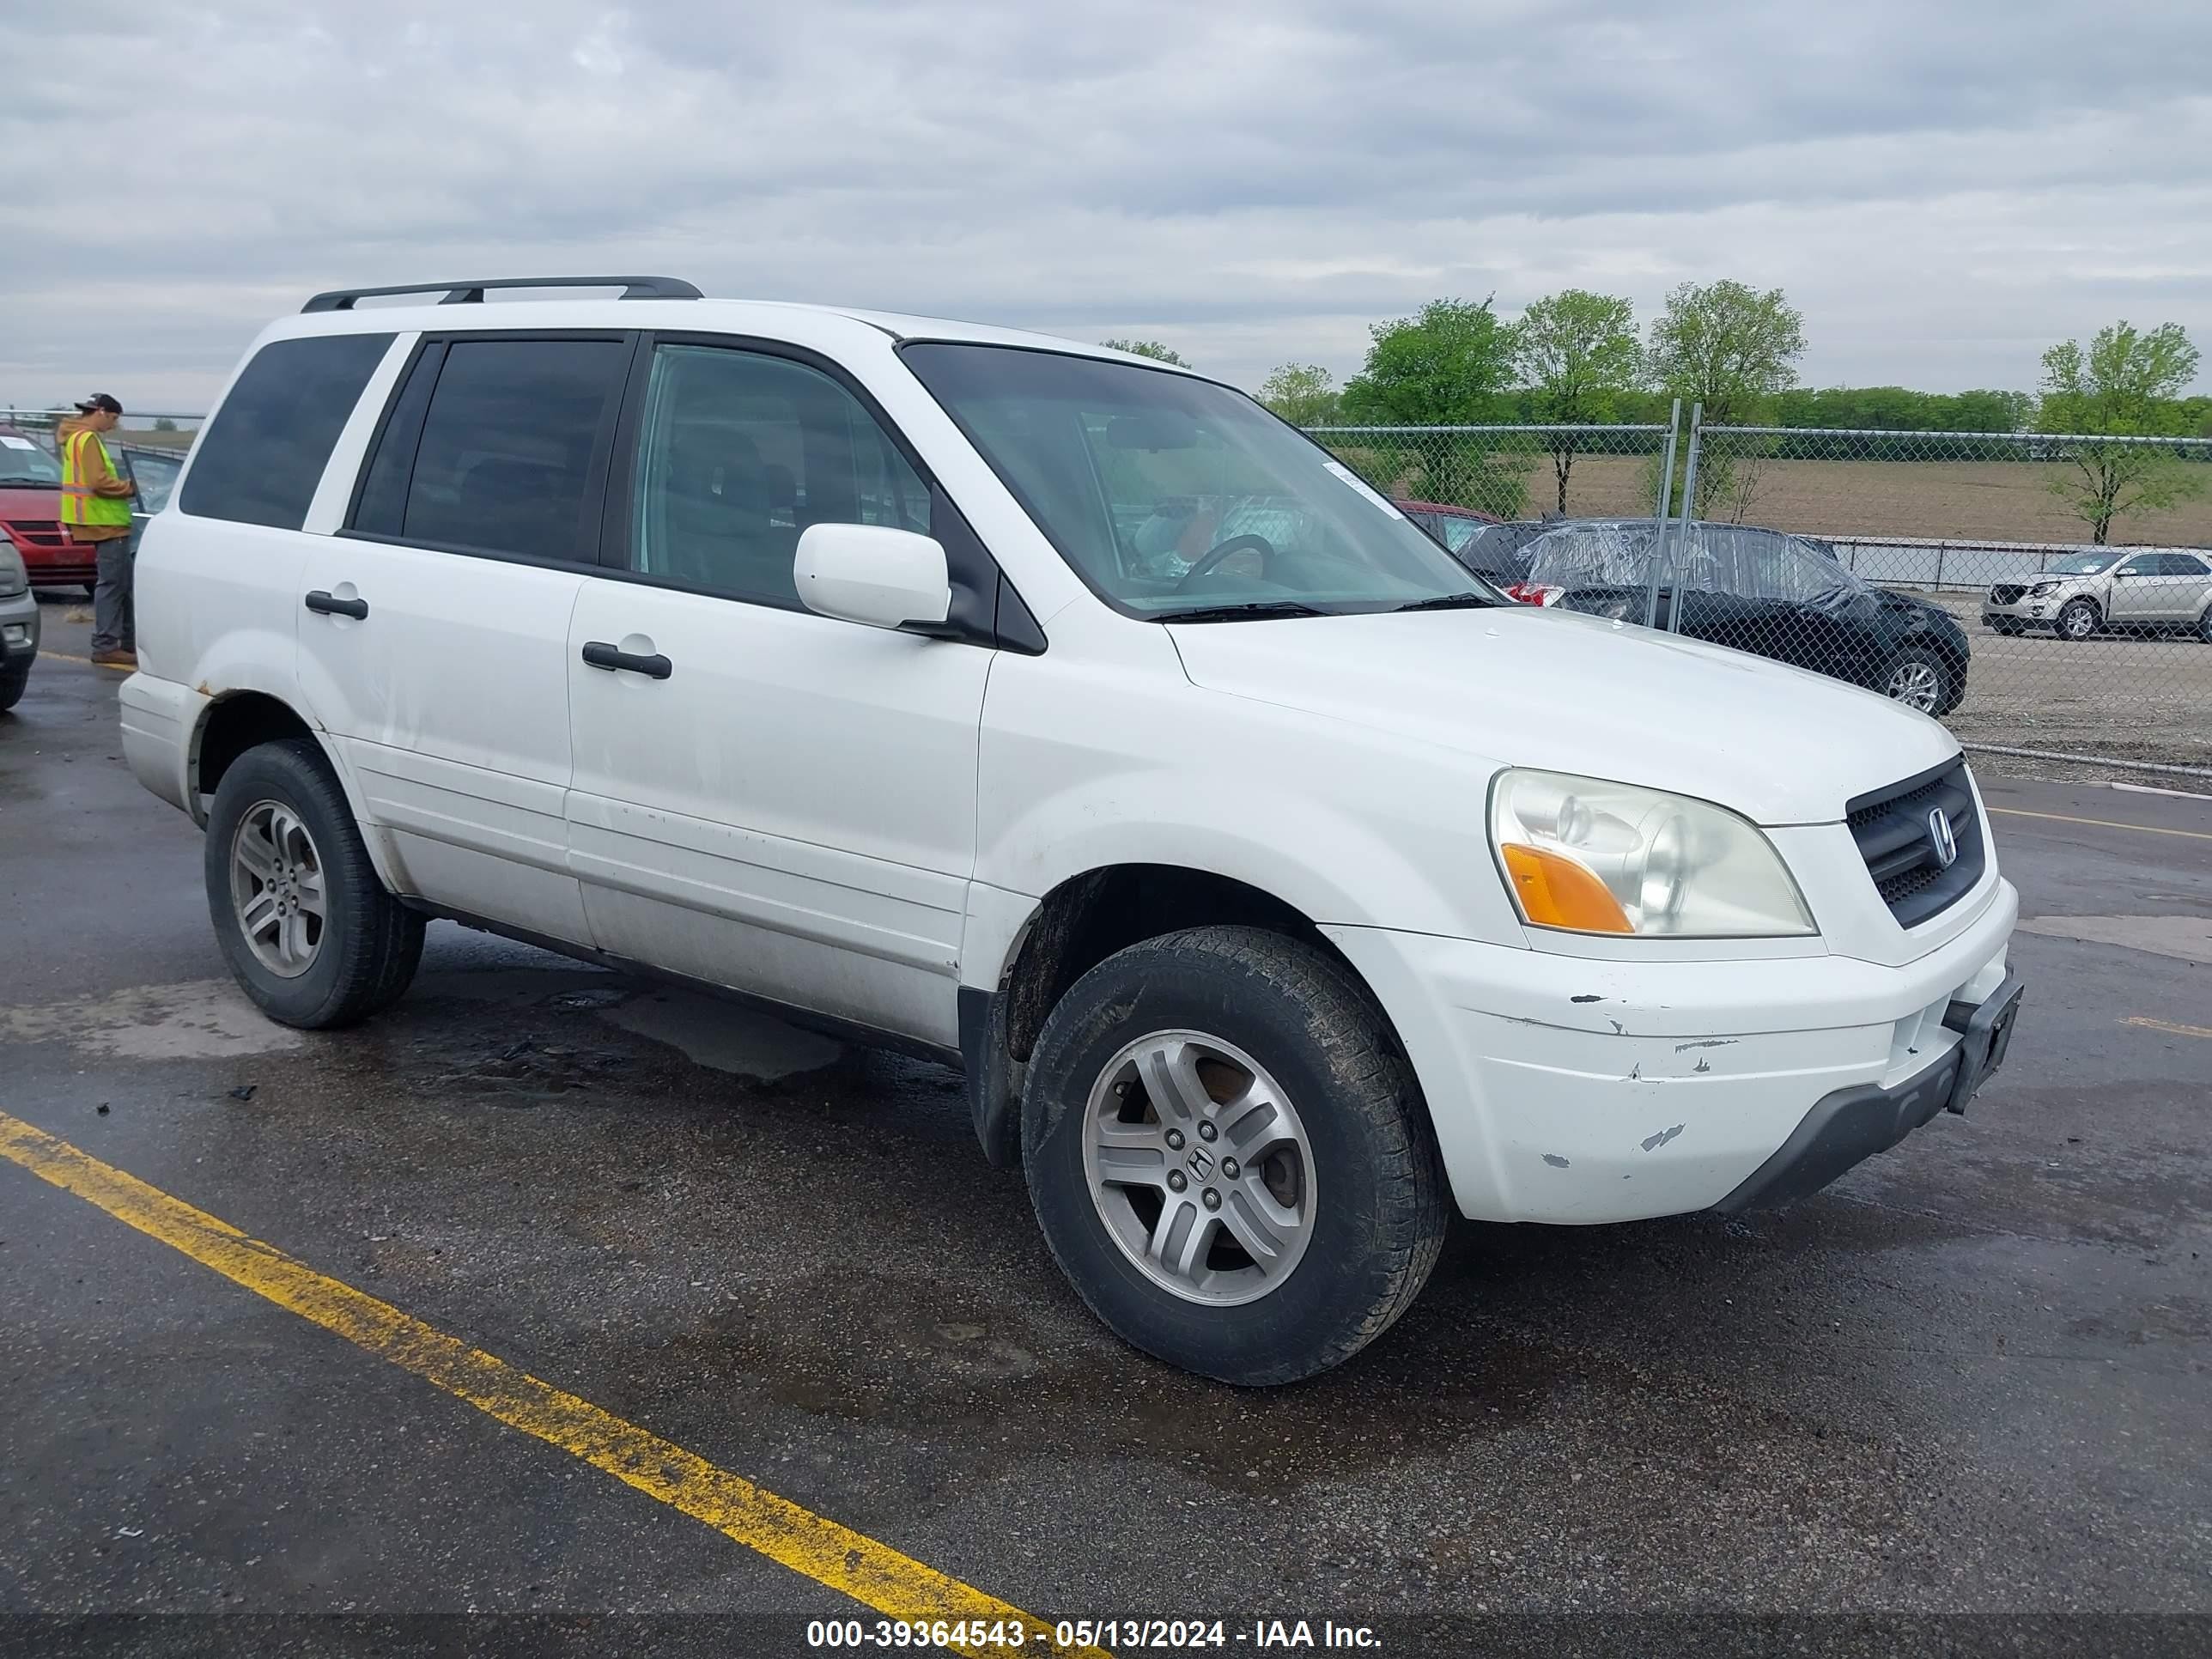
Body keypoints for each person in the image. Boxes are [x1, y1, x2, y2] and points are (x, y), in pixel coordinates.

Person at [58, 392, 138, 668]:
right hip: (104, 522)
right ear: (101, 412)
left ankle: (127, 642)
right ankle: (106, 645)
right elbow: (98, 482)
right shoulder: (88, 439)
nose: (114, 425)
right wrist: (131, 488)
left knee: (122, 584)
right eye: (114, 418)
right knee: (114, 585)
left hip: (99, 521)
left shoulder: (76, 437)